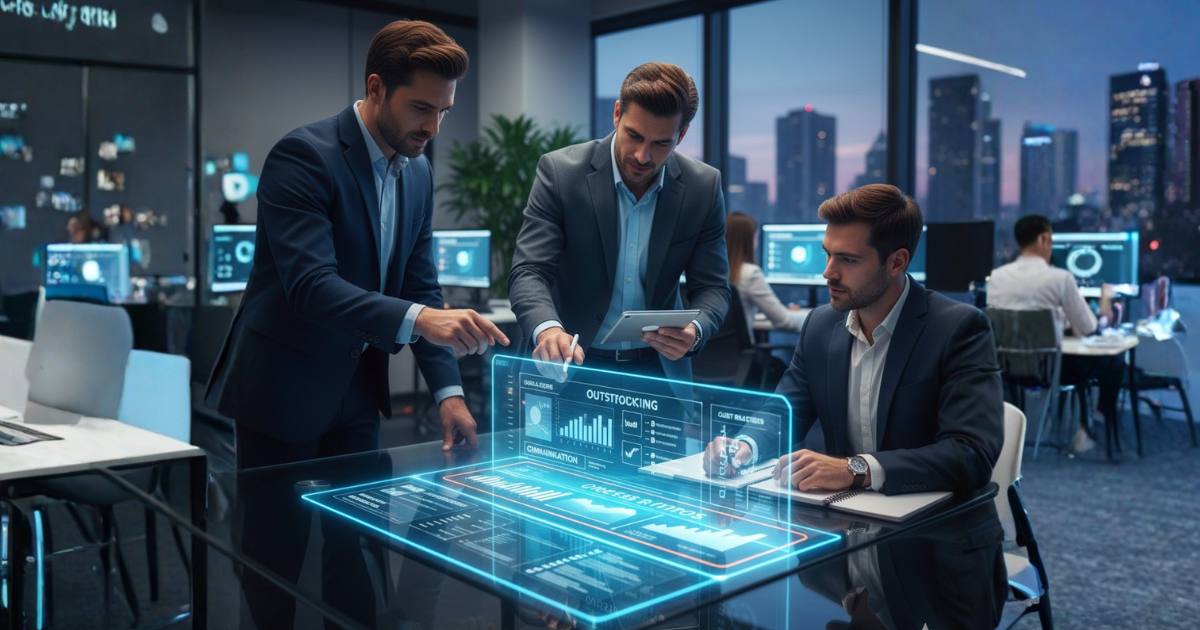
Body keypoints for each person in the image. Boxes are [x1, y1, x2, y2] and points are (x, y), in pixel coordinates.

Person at [204, 20, 508, 628]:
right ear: (376, 87)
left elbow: (421, 285)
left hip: (356, 395)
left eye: (444, 111)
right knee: (272, 566)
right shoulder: (303, 156)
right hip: (282, 392)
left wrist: (448, 393)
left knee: (355, 557)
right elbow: (311, 288)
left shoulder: (418, 170)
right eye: (421, 107)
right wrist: (423, 321)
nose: (433, 126)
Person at [704, 184, 1003, 495]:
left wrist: (856, 469)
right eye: (828, 254)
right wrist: (744, 445)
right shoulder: (820, 325)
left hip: (932, 523)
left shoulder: (958, 328)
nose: (828, 273)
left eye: (848, 260)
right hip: (847, 516)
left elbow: (971, 454)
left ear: (897, 262)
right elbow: (784, 410)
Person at [508, 62, 729, 382]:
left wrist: (694, 331)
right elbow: (529, 271)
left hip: (658, 372)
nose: (642, 156)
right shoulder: (561, 173)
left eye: (660, 143)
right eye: (634, 136)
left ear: (681, 135)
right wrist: (548, 329)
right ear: (616, 114)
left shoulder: (702, 187)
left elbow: (713, 287)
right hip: (571, 364)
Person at [987, 214, 1121, 454]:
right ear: (1044, 239)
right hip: (1053, 370)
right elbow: (1088, 328)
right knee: (1114, 362)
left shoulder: (996, 278)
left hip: (1009, 370)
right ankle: (1089, 428)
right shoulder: (1060, 278)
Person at [726, 211, 806, 332]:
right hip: (736, 350)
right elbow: (784, 321)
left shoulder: (709, 271)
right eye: (755, 237)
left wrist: (780, 310)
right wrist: (814, 316)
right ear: (748, 241)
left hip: (708, 349)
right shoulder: (750, 274)